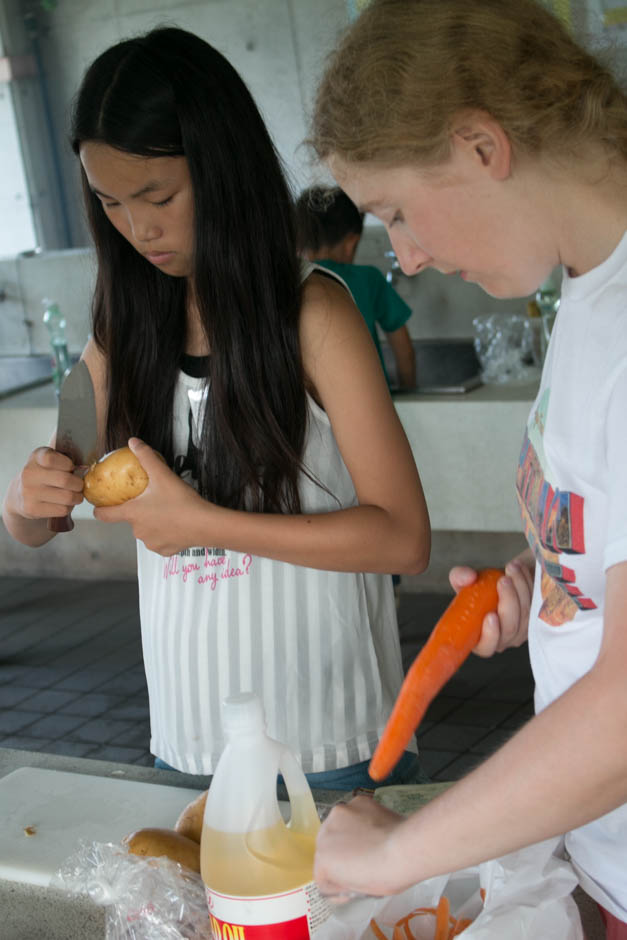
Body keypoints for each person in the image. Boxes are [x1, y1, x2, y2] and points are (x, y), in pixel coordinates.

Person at [1, 27, 431, 792]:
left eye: (158, 197)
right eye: (110, 205)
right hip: (188, 745)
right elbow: (40, 523)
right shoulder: (122, 332)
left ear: (222, 169)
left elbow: (402, 539)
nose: (139, 229)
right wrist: (27, 504)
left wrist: (202, 523)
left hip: (324, 743)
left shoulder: (313, 315)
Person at [310, 0, 627, 931]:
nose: (403, 257)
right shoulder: (585, 288)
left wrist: (395, 852)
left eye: (397, 214)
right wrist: (563, 589)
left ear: (480, 146)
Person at [295, 186, 416, 389]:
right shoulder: (368, 279)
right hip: (370, 396)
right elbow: (403, 348)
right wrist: (409, 390)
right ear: (352, 242)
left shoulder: (290, 282)